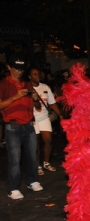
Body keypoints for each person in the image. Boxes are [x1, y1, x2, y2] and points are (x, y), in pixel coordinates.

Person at [0, 53, 43, 199]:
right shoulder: (3, 84)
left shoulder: (27, 84)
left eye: (21, 69)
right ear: (9, 67)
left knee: (32, 156)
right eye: (16, 68)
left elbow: (37, 106)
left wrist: (36, 99)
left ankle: (33, 180)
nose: (19, 72)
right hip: (12, 126)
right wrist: (15, 97)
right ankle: (13, 188)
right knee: (15, 158)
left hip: (29, 124)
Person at [29, 67, 63, 175]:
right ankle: (37, 165)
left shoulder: (45, 87)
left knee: (48, 140)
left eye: (38, 73)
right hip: (33, 119)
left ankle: (46, 163)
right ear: (30, 76)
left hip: (44, 117)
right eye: (34, 74)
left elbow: (52, 103)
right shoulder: (27, 88)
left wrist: (60, 114)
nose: (37, 75)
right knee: (36, 143)